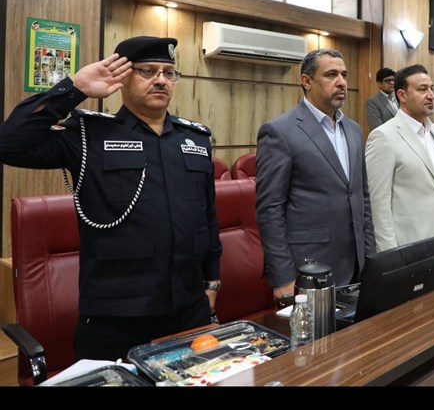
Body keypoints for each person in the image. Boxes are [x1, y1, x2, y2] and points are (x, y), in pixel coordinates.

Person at [0, 36, 222, 361]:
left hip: (188, 309)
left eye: (168, 72)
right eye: (148, 71)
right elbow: (10, 144)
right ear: (123, 77)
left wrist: (212, 283)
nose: (161, 80)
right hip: (117, 317)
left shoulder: (195, 139)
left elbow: (207, 217)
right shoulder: (89, 134)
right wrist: (75, 87)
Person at [256, 48, 375, 302]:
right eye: (331, 75)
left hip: (357, 266)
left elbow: (362, 197)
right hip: (309, 269)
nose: (341, 82)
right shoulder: (280, 131)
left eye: (344, 75)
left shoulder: (354, 130)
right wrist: (283, 277)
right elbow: (269, 209)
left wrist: (370, 258)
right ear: (306, 81)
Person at [365, 65, 434, 251]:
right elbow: (378, 204)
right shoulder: (384, 136)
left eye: (432, 88)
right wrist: (390, 254)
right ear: (402, 95)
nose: (431, 95)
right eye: (422, 89)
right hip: (406, 244)